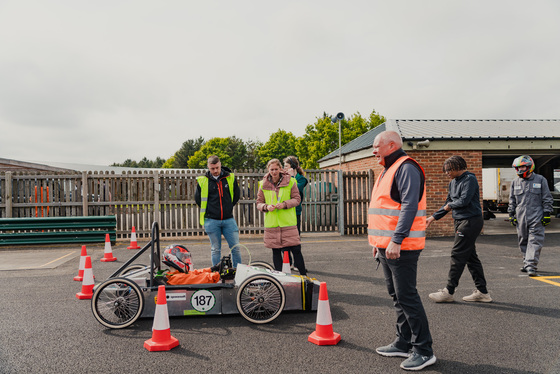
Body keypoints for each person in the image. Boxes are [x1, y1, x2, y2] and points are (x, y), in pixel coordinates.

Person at [368, 131, 435, 371]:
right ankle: (403, 342)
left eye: (376, 146)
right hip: (387, 247)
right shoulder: (389, 168)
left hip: (401, 248)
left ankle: (424, 351)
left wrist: (396, 240)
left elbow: (409, 205)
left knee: (407, 296)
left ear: (392, 145)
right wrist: (379, 244)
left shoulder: (406, 168)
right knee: (397, 296)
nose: (373, 151)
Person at [426, 156, 492, 303]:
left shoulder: (470, 179)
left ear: (458, 166)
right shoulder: (452, 183)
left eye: (449, 169)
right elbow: (447, 203)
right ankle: (483, 292)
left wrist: (450, 205)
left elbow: (464, 200)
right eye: (445, 170)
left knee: (457, 254)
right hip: (460, 221)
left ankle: (448, 291)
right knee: (470, 257)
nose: (446, 172)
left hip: (470, 221)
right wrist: (432, 218)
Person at [256, 159, 307, 276]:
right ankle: (279, 279)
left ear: (280, 169)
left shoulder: (291, 181)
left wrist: (284, 204)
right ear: (268, 170)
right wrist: (266, 206)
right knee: (276, 252)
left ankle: (305, 277)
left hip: (288, 223)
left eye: (276, 169)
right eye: (271, 169)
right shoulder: (262, 184)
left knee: (296, 250)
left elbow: (297, 199)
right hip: (272, 224)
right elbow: (258, 202)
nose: (274, 172)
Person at [508, 155, 554, 276]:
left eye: (522, 167)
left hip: (536, 214)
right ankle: (526, 262)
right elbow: (512, 199)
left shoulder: (540, 180)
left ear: (529, 167)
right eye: (518, 168)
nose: (520, 170)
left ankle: (531, 265)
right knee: (523, 240)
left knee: (535, 240)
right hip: (520, 215)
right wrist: (511, 214)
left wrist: (547, 213)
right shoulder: (515, 182)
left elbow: (547, 197)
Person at [195, 155, 242, 268]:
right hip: (211, 220)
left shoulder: (230, 177)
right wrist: (211, 211)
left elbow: (236, 195)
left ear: (220, 165)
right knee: (215, 249)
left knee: (236, 248)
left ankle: (238, 273)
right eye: (212, 168)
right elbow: (198, 199)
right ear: (208, 167)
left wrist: (228, 207)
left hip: (228, 219)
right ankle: (217, 275)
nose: (215, 171)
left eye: (217, 167)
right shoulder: (203, 181)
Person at [283, 156, 308, 268]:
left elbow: (296, 190)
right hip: (284, 213)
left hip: (295, 213)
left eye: (286, 166)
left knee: (295, 239)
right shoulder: (283, 178)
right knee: (284, 241)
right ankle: (289, 263)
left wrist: (292, 177)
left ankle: (298, 264)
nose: (284, 169)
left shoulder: (301, 179)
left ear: (293, 168)